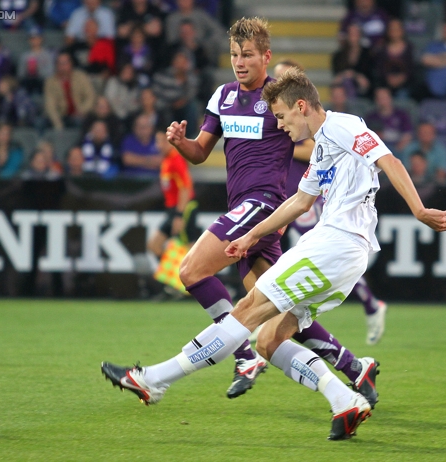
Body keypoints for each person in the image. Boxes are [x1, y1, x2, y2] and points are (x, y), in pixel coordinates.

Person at [101, 67, 446, 440]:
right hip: (346, 253)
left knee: (246, 311)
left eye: (283, 118)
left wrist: (419, 210)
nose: (281, 127)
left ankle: (152, 380)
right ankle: (344, 400)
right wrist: (250, 236)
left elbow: (390, 161)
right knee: (271, 339)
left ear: (301, 106)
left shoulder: (343, 125)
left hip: (335, 244)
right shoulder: (322, 147)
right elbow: (299, 202)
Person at [148, 18, 380, 401]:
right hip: (247, 209)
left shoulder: (277, 98)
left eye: (248, 55)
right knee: (274, 307)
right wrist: (180, 142)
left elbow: (309, 127)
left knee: (190, 270)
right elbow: (201, 152)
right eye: (235, 55)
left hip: (262, 205)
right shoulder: (222, 97)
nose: (240, 62)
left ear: (266, 57)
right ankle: (354, 367)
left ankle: (242, 356)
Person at [274, 60, 388, 346]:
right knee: (298, 253)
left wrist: (284, 149)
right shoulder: (283, 117)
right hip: (295, 194)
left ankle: (270, 313)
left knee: (310, 253)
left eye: (282, 77)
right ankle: (275, 315)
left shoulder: (323, 127)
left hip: (314, 200)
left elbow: (315, 150)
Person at [147, 130, 200, 259]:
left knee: (190, 250)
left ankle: (200, 277)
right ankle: (175, 275)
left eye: (163, 141)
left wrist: (179, 215)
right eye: (158, 141)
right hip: (174, 209)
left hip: (183, 208)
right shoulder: (166, 160)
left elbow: (186, 188)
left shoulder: (176, 159)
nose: (160, 145)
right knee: (154, 245)